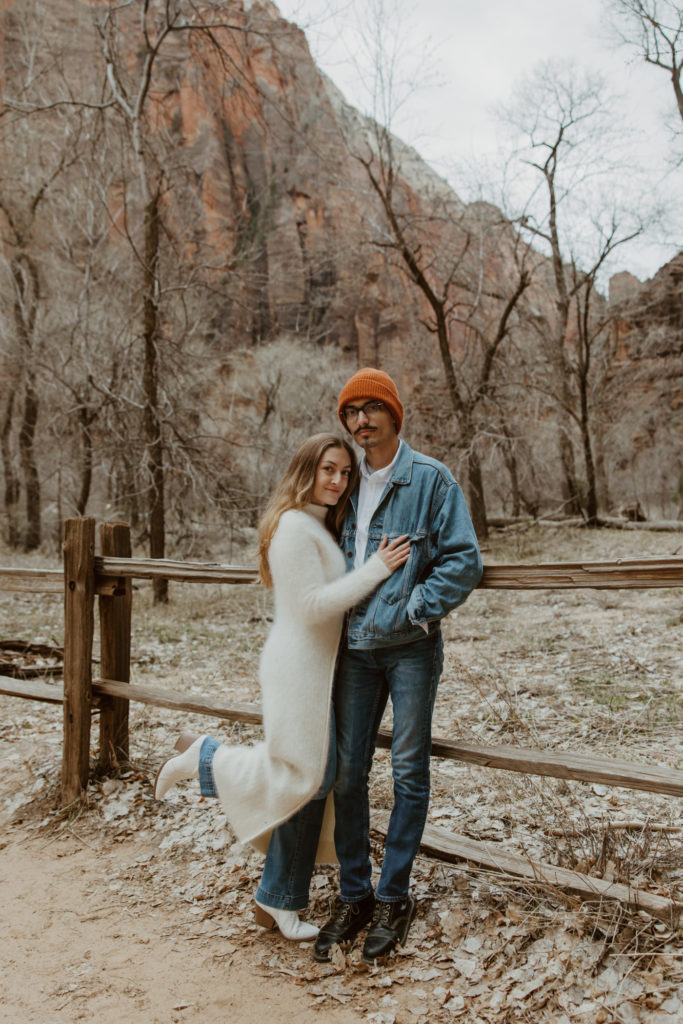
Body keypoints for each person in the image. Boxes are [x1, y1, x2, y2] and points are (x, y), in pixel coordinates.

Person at [154, 433, 410, 943]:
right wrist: (377, 569)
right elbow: (313, 605)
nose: (338, 481)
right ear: (305, 471)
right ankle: (206, 759)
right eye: (328, 470)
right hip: (297, 670)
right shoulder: (294, 527)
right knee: (304, 778)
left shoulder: (315, 524)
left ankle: (276, 901)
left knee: (316, 780)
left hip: (317, 669)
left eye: (344, 473)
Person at [313, 368, 483, 965]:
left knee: (409, 770)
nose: (361, 420)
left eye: (371, 408)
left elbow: (464, 560)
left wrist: (416, 608)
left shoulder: (431, 479)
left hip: (410, 647)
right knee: (348, 773)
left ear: (393, 413)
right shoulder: (340, 481)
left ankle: (394, 895)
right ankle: (354, 893)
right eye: (351, 411)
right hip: (353, 649)